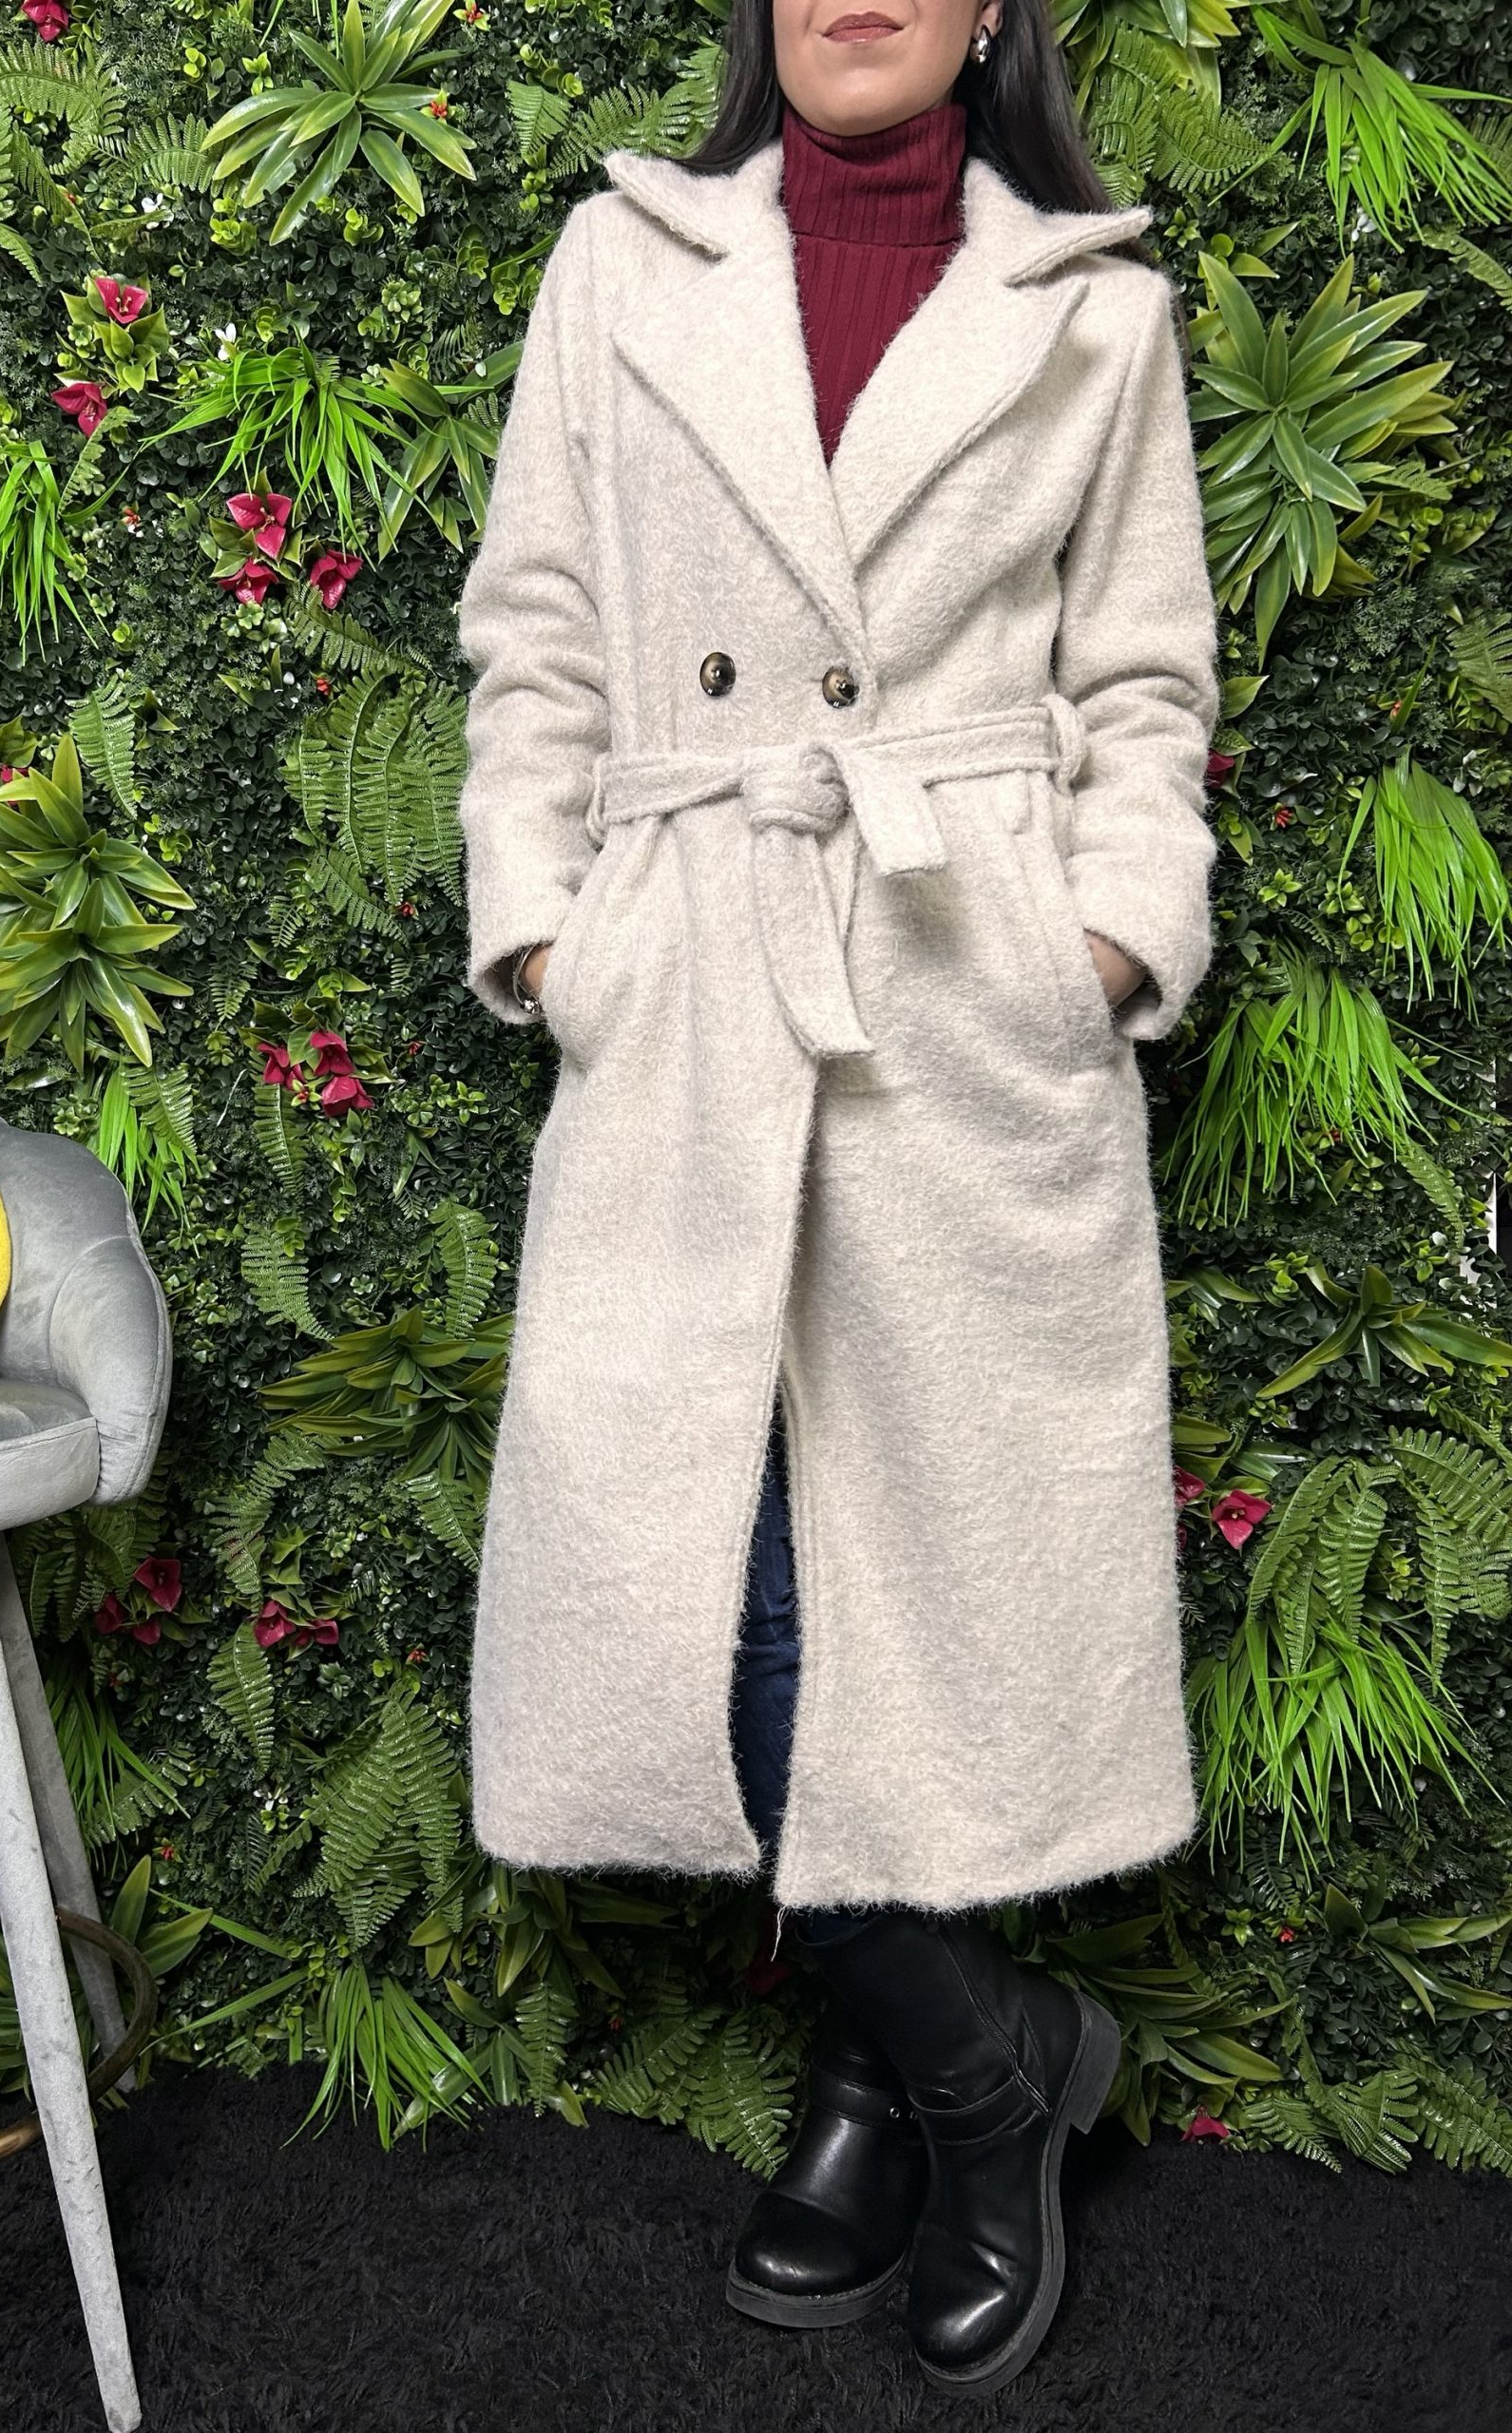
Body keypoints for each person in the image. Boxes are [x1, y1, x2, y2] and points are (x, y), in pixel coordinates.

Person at [454, 0, 1219, 2402]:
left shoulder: (1090, 306)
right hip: (694, 973)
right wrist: (553, 935)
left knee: (928, 1589)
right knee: (707, 1587)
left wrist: (1104, 944)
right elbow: (537, 631)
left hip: (961, 995)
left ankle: (885, 2089)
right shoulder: (623, 265)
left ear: (993, 10)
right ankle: (1001, 2071)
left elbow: (1146, 686)